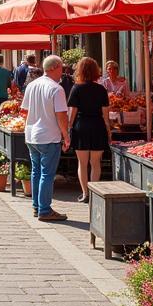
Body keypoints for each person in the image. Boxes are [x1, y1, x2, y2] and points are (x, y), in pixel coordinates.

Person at [20, 54, 70, 222]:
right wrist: (66, 135)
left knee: (36, 172)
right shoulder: (57, 89)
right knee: (47, 174)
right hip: (49, 136)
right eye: (61, 68)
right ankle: (44, 209)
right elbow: (61, 115)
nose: (62, 72)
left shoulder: (32, 85)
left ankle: (37, 206)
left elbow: (24, 111)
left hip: (32, 135)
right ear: (54, 68)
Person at [67, 57, 110, 204]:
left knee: (82, 163)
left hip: (81, 126)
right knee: (96, 163)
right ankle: (94, 194)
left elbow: (72, 112)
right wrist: (108, 130)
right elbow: (106, 114)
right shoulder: (101, 89)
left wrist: (69, 128)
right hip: (98, 125)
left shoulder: (76, 88)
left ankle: (85, 194)